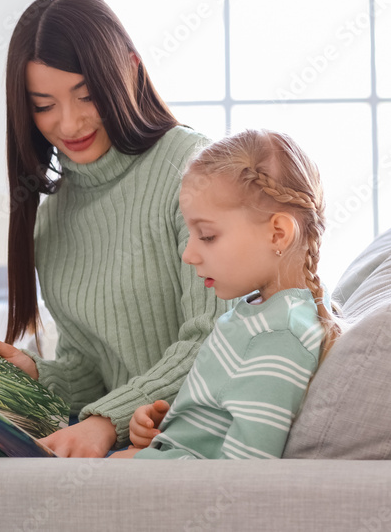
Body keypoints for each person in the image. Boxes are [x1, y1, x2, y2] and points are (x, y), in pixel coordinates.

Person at [0, 0, 230, 457]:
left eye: (87, 95)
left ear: (130, 71)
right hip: (117, 433)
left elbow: (215, 338)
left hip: (184, 436)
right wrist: (36, 375)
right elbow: (90, 367)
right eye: (44, 105)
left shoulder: (190, 170)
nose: (69, 124)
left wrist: (103, 422)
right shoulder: (52, 218)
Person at [119, 129, 342, 460]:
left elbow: (241, 475)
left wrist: (145, 463)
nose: (188, 254)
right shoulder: (260, 314)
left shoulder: (279, 337)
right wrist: (171, 426)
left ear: (278, 234)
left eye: (206, 236)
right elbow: (220, 421)